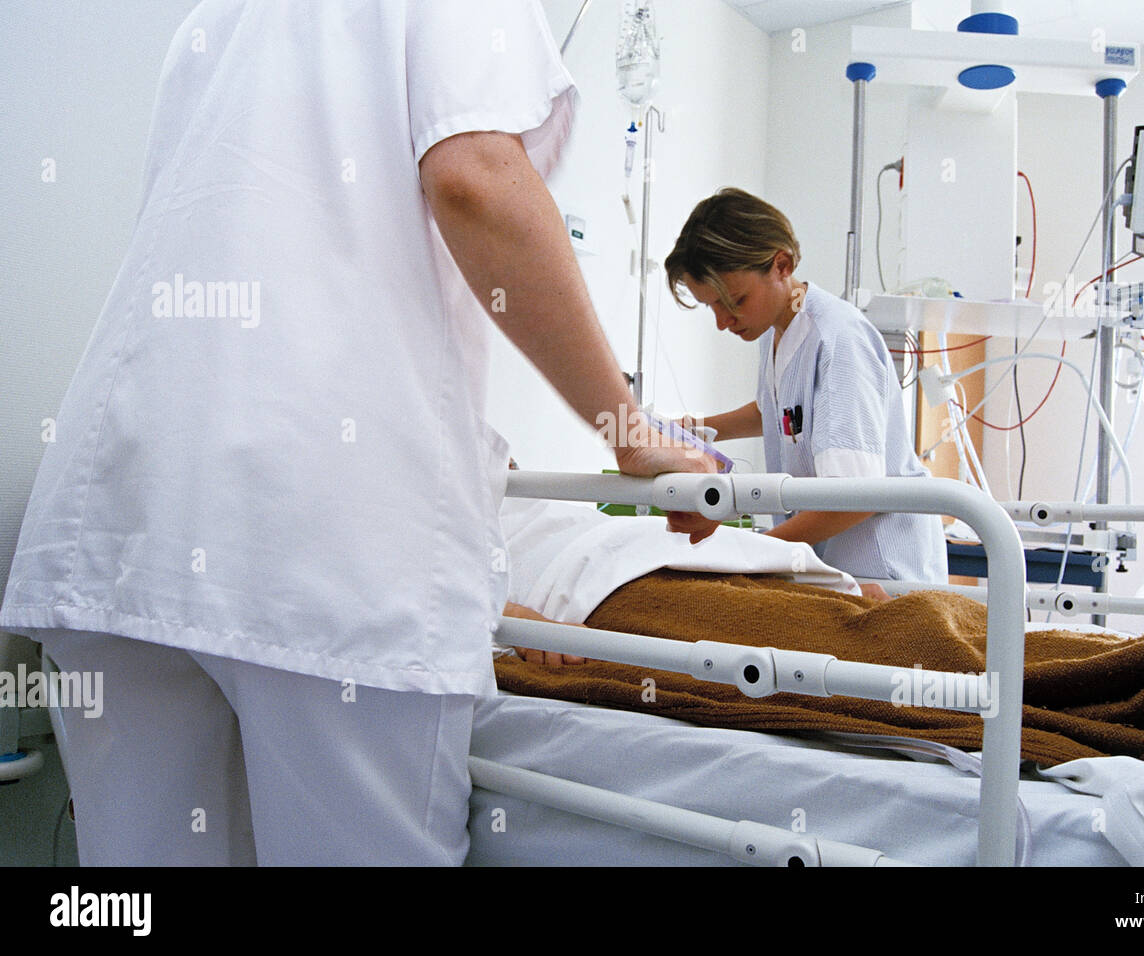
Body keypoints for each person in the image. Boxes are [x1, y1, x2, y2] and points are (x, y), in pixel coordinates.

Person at [0, 0, 708, 866]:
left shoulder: (218, 21)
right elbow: (475, 180)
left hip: (124, 513)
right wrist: (627, 429)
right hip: (326, 548)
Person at [663, 188, 947, 584]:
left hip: (884, 572)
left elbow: (855, 499)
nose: (722, 321)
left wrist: (750, 554)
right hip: (833, 570)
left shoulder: (838, 339)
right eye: (712, 305)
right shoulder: (777, 330)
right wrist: (687, 429)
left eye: (736, 301)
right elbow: (780, 412)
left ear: (782, 265)